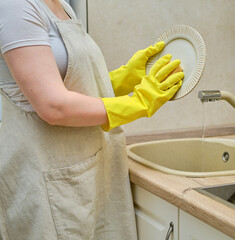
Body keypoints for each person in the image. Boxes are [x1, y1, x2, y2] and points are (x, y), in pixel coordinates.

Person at [0, 0, 184, 239]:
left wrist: (121, 79)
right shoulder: (15, 6)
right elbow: (53, 106)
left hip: (85, 173)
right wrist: (137, 103)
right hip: (46, 180)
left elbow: (67, 83)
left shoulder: (62, 5)